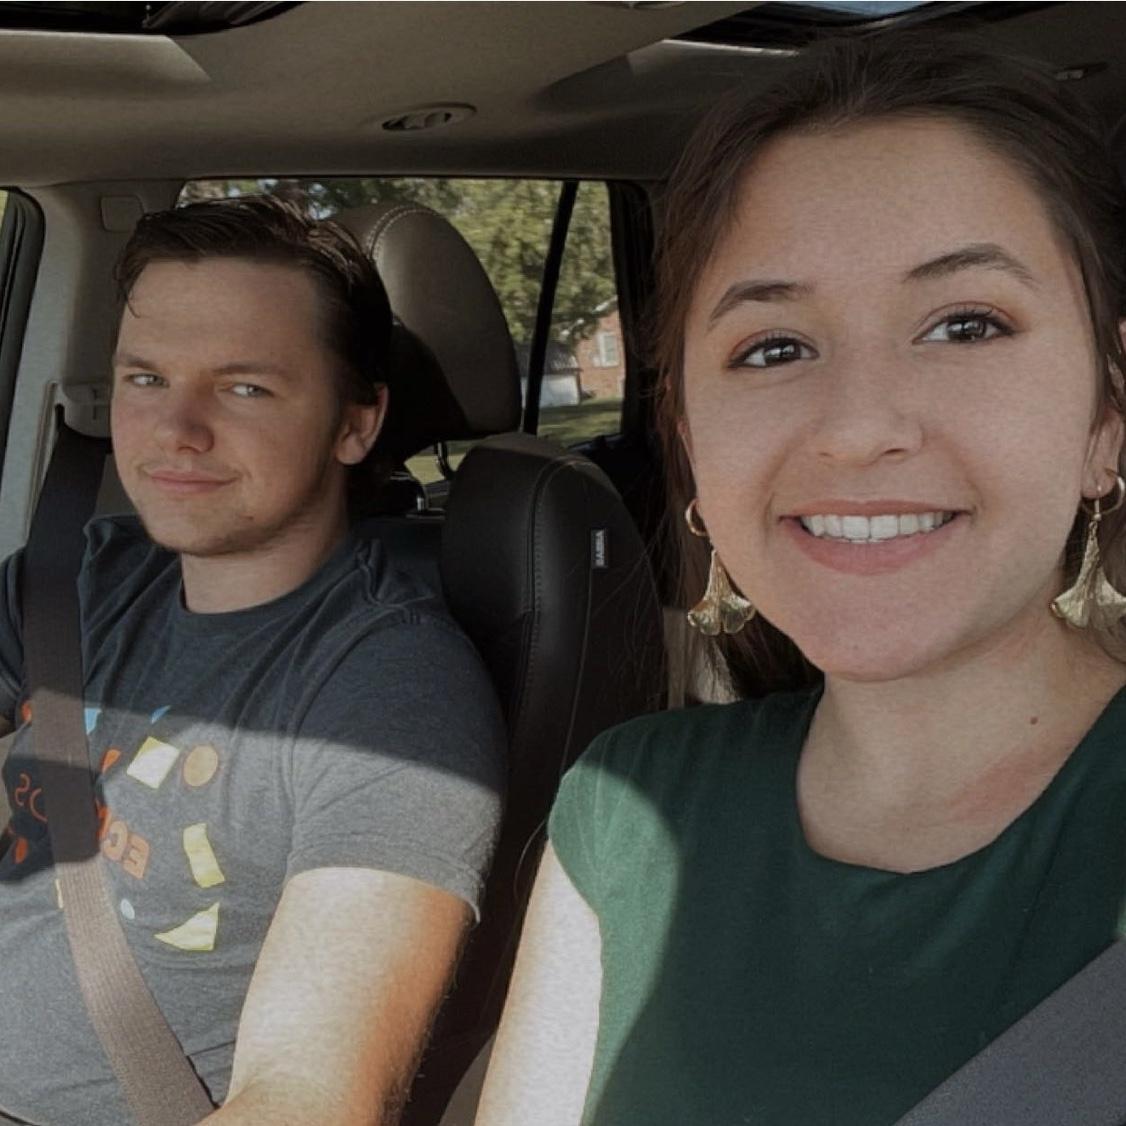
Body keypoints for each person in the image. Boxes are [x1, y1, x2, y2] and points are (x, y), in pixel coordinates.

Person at [476, 29, 1126, 1126]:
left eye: (966, 324)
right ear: (689, 442)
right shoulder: (628, 811)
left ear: (1108, 418)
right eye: (773, 348)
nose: (858, 427)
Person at [0, 196, 506, 1125]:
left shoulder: (391, 698)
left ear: (357, 424)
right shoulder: (78, 581)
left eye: (244, 388)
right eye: (146, 379)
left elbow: (309, 1095)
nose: (175, 431)